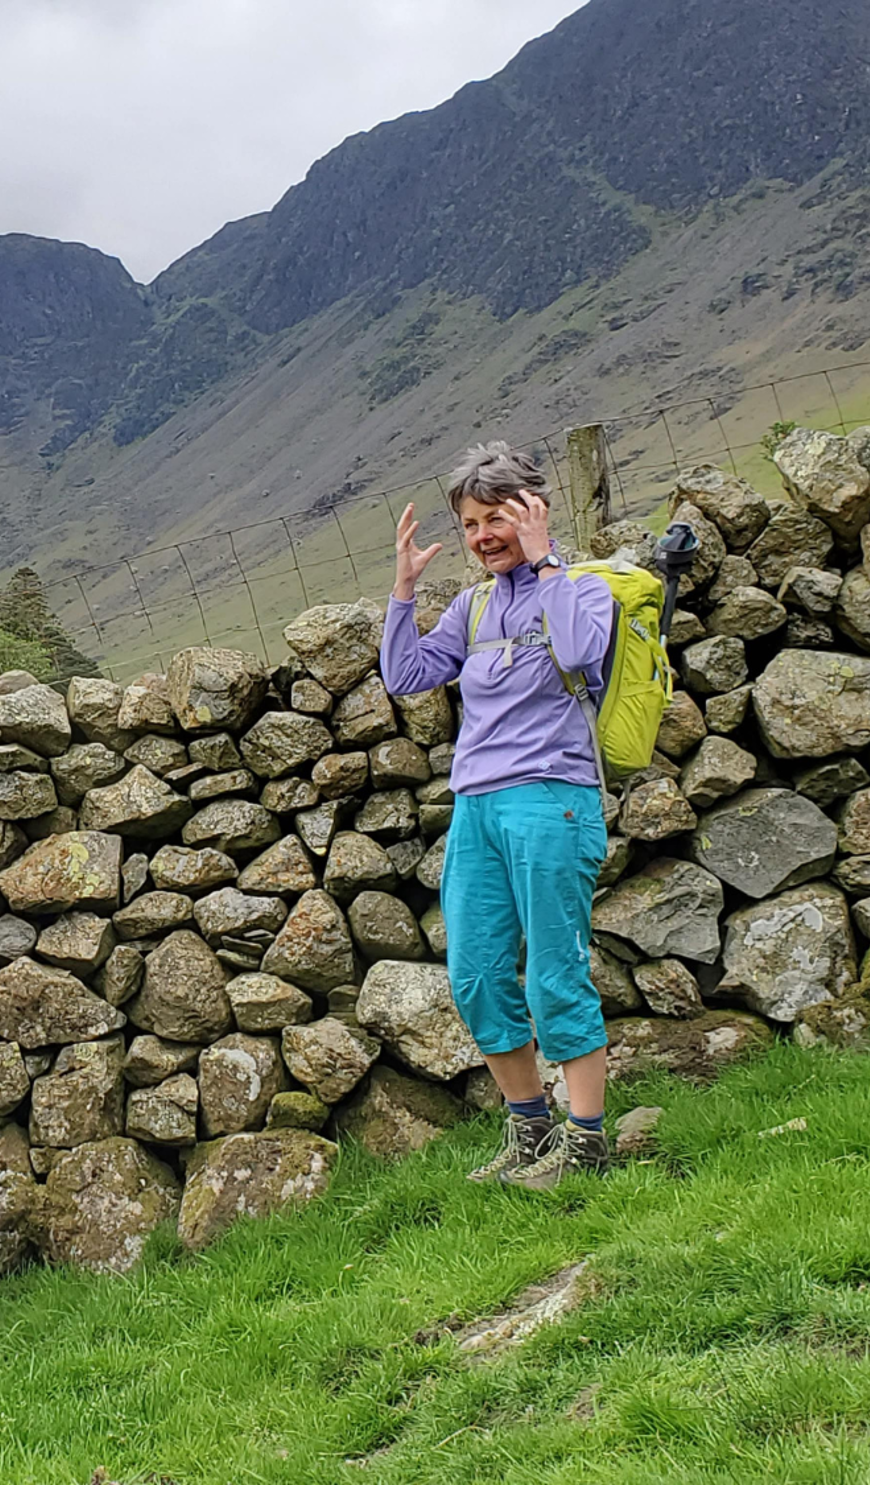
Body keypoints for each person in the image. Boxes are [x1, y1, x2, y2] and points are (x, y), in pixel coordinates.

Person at [380, 442, 615, 1191]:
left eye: (500, 517)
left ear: (534, 511)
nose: (484, 534)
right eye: (473, 521)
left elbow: (580, 654)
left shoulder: (581, 589)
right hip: (476, 808)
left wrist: (546, 564)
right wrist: (404, 590)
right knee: (477, 974)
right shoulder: (473, 604)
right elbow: (406, 674)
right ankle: (530, 1132)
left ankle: (586, 1147)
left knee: (554, 974)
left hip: (553, 799)